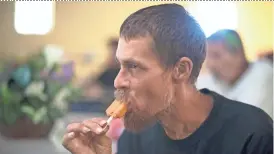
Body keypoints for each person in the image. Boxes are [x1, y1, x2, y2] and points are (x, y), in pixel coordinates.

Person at [62, 4, 273, 154]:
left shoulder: (253, 134)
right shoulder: (134, 139)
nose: (118, 81)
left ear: (181, 70)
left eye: (133, 66)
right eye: (120, 65)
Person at [196, 30, 273, 118]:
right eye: (207, 57)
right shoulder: (216, 78)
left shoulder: (263, 73)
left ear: (239, 55)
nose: (210, 64)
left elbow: (245, 120)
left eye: (216, 55)